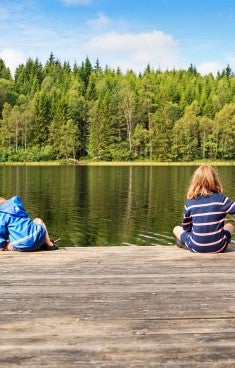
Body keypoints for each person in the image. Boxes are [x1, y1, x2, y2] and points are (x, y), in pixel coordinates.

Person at [173, 165, 235, 253]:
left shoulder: (190, 202)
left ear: (195, 182)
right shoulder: (222, 200)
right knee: (230, 226)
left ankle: (185, 243)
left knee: (176, 229)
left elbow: (186, 228)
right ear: (215, 180)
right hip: (219, 247)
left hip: (196, 247)